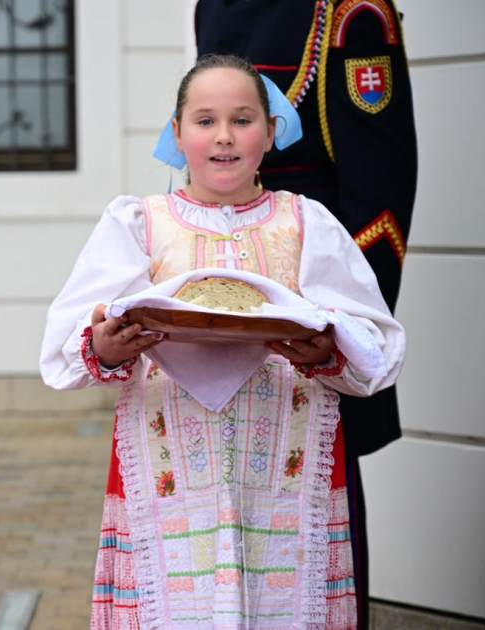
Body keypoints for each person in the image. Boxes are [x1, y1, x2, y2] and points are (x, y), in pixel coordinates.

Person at [40, 54, 404, 629]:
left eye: (243, 119)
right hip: (170, 462)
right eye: (205, 120)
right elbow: (66, 346)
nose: (224, 136)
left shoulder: (306, 222)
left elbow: (376, 345)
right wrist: (105, 347)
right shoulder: (139, 223)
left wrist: (328, 350)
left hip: (287, 459)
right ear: (177, 132)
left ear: (271, 132)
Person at [194, 5, 418, 621]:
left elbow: (380, 196)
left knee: (320, 510)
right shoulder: (212, 6)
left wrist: (342, 329)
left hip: (311, 304)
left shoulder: (348, 12)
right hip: (219, 301)